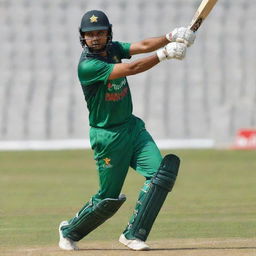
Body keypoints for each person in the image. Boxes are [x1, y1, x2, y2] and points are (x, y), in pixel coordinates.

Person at [58, 9, 196, 251]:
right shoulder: (88, 66)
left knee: (160, 176)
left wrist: (170, 35)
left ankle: (133, 234)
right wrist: (164, 54)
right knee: (108, 198)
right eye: (91, 35)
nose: (96, 38)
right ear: (83, 37)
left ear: (108, 33)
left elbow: (141, 45)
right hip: (107, 136)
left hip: (132, 127)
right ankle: (69, 230)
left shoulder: (112, 49)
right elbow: (130, 69)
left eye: (100, 32)